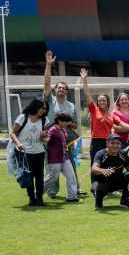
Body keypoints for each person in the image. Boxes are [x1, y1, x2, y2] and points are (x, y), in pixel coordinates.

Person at [81, 69, 129, 171]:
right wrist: (84, 80)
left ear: (107, 102)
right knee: (95, 166)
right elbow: (87, 95)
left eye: (104, 100)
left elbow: (123, 124)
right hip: (96, 142)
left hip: (108, 142)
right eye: (99, 101)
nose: (101, 102)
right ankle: (95, 186)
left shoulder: (110, 115)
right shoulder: (94, 109)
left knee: (107, 165)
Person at [43, 50, 81, 196]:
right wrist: (48, 65)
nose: (61, 89)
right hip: (51, 139)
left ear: (66, 91)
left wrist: (66, 123)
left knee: (70, 164)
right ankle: (52, 191)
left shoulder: (71, 106)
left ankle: (75, 189)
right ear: (55, 89)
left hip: (67, 139)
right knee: (52, 165)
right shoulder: (49, 100)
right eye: (59, 87)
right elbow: (46, 82)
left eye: (64, 88)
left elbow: (76, 125)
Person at [10, 98, 49, 206]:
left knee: (40, 176)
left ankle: (40, 198)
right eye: (42, 108)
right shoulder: (23, 117)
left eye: (45, 109)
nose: (44, 110)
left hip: (39, 152)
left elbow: (44, 138)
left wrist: (45, 138)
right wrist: (18, 143)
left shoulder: (44, 120)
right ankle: (32, 198)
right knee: (29, 174)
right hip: (24, 152)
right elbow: (13, 133)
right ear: (35, 106)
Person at [42, 112, 79, 202]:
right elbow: (47, 140)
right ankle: (37, 194)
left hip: (65, 158)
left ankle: (71, 197)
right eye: (66, 122)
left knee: (71, 176)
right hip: (55, 159)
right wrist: (41, 137)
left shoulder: (64, 130)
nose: (68, 124)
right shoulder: (53, 130)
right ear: (59, 121)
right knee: (52, 177)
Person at [91, 134, 129, 209]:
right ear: (107, 143)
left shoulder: (122, 154)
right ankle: (98, 203)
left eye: (118, 143)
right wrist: (101, 170)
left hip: (116, 182)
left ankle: (124, 201)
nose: (115, 145)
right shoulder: (101, 154)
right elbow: (94, 168)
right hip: (102, 182)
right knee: (99, 190)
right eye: (112, 143)